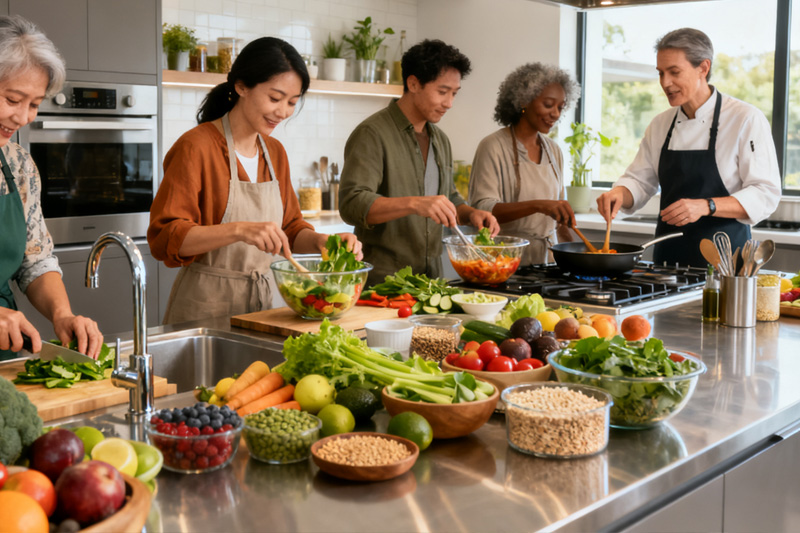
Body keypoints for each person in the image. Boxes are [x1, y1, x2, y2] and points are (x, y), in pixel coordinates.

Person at [148, 37, 362, 324]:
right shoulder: (196, 147)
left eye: (292, 102)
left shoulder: (275, 153)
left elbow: (290, 229)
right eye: (275, 98)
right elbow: (166, 238)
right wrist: (238, 230)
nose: (283, 112)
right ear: (241, 86)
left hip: (264, 308)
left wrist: (323, 242)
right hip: (204, 308)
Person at [596, 28, 781, 267]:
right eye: (661, 73)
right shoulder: (661, 124)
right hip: (667, 264)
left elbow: (765, 193)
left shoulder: (745, 119)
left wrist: (707, 206)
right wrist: (619, 194)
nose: (665, 83)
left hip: (726, 266)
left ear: (703, 68)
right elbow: (640, 182)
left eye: (674, 72)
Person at [339, 39, 499, 285]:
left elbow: (448, 198)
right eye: (442, 92)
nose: (449, 103)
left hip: (431, 281)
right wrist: (415, 204)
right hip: (382, 284)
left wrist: (470, 214)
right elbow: (352, 204)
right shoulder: (372, 133)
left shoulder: (440, 140)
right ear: (413, 83)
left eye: (454, 93)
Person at [0, 15, 102, 361]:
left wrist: (63, 314)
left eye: (34, 103)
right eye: (13, 100)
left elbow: (36, 260)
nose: (24, 117)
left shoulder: (17, 165)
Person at [469, 63, 579, 266]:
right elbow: (484, 210)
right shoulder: (492, 146)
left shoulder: (554, 151)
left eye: (560, 107)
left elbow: (559, 217)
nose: (555, 113)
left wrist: (575, 256)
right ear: (523, 100)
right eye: (548, 105)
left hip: (548, 261)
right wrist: (538, 205)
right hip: (504, 261)